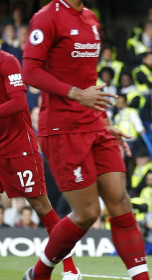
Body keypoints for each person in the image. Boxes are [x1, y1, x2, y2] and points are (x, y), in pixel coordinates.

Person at [22, 0, 151, 280]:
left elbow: (88, 80)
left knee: (121, 203)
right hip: (62, 128)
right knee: (87, 213)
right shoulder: (46, 19)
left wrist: (105, 122)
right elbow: (30, 72)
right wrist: (76, 94)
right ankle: (39, 273)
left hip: (95, 125)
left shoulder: (91, 19)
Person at [0, 49, 82, 278]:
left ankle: (71, 269)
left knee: (41, 206)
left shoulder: (7, 62)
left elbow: (18, 103)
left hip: (18, 147)